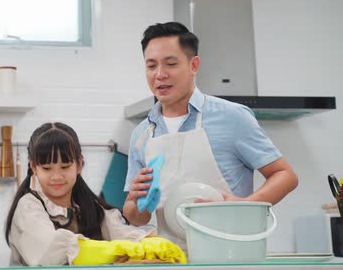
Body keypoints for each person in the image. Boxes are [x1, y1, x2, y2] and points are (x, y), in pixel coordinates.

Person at [123, 22, 299, 245]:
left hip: (230, 254)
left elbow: (285, 175)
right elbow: (137, 218)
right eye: (151, 66)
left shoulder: (233, 117)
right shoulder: (142, 133)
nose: (160, 74)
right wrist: (133, 201)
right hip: (171, 258)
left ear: (194, 64)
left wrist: (248, 205)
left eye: (170, 64)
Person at [5, 122, 186, 266]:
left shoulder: (89, 206)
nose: (56, 176)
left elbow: (119, 231)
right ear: (33, 167)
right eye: (46, 168)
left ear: (79, 164)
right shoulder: (28, 207)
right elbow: (49, 251)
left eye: (65, 166)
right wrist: (112, 249)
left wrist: (147, 242)